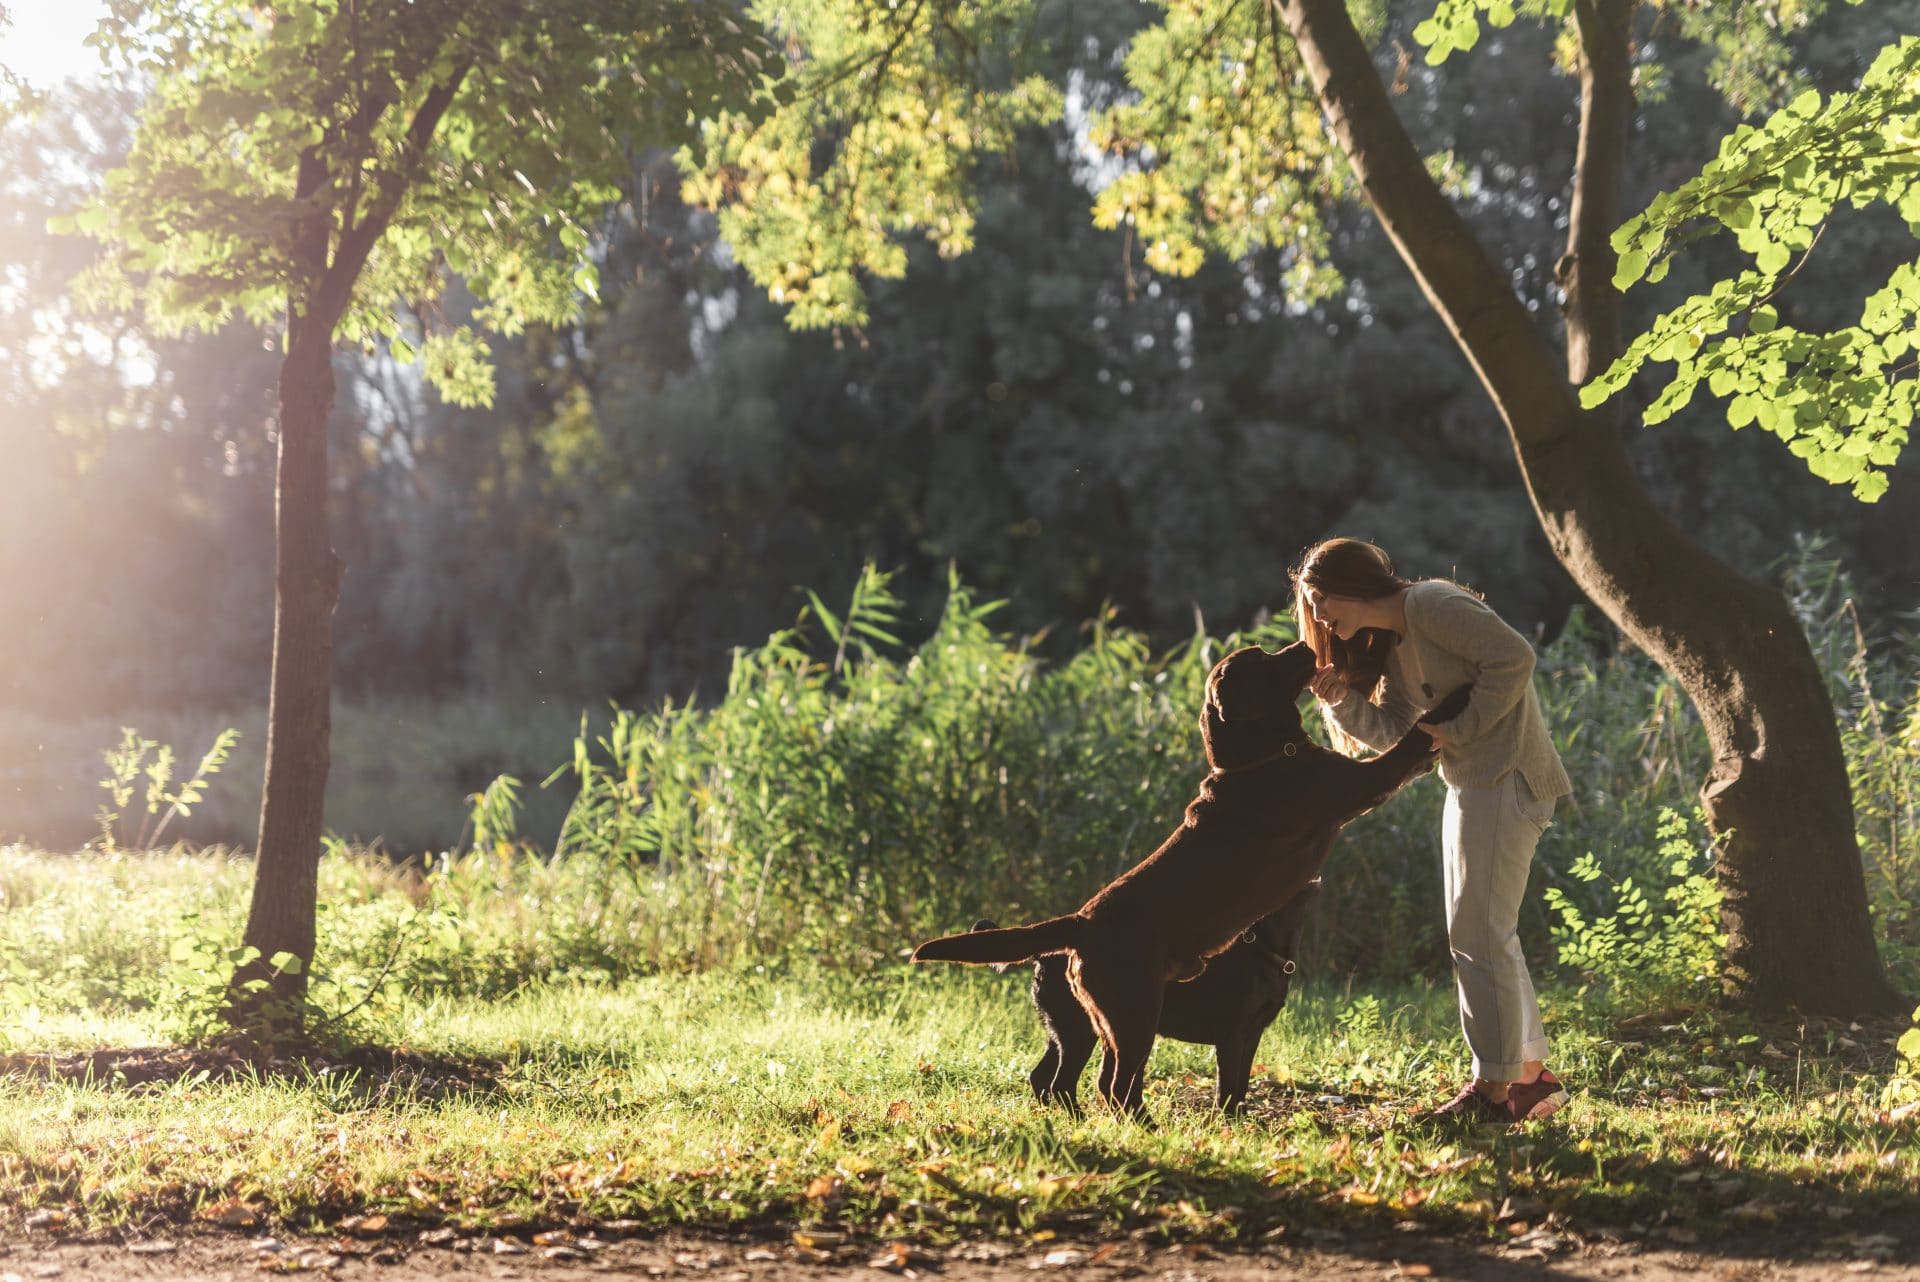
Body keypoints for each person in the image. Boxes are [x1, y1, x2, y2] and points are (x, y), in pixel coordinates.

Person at [1293, 537, 1574, 1125]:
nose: (1317, 617)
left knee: (1478, 935)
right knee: (1485, 933)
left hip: (1506, 776)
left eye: (1320, 600)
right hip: (1472, 783)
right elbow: (1398, 735)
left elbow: (1515, 658)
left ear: (1350, 587)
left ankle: (1491, 1094)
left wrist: (1460, 728)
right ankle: (1527, 1079)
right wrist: (1342, 701)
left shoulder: (1432, 603)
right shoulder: (1396, 643)